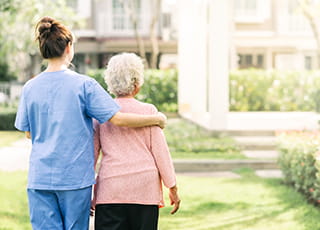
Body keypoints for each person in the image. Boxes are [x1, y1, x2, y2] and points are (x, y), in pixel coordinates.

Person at [14, 17, 166, 230]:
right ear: (69, 47)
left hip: (40, 179)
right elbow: (118, 118)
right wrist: (156, 119)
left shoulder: (30, 87)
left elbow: (29, 133)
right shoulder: (84, 85)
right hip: (74, 180)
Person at [91, 53, 181, 230]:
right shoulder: (149, 111)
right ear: (137, 83)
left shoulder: (101, 114)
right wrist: (173, 188)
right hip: (145, 191)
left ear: (110, 81)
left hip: (111, 190)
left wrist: (87, 193)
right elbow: (161, 154)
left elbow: (91, 156)